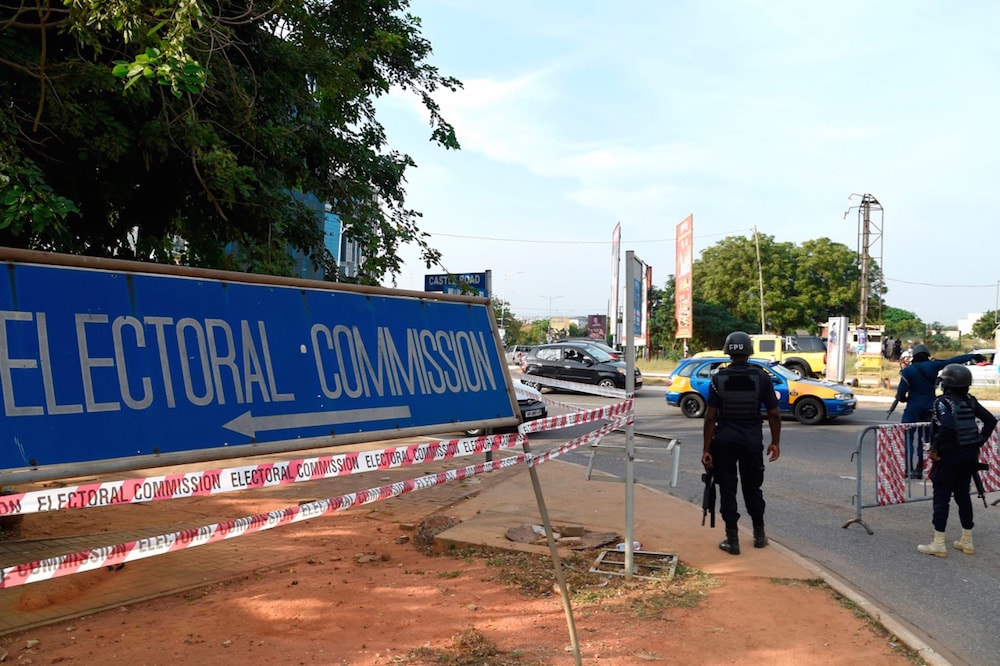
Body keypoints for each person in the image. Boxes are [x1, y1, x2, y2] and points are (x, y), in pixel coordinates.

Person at [701, 331, 781, 555]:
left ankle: (732, 540)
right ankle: (759, 535)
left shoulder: (718, 379)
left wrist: (706, 449)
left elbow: (710, 416)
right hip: (752, 441)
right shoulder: (762, 378)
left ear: (728, 352)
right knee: (753, 488)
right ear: (749, 352)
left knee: (728, 489)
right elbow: (774, 414)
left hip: (724, 441)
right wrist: (775, 442)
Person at [917, 364, 997, 557]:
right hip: (969, 455)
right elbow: (991, 421)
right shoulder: (970, 400)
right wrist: (978, 441)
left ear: (947, 384)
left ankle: (938, 543)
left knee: (942, 496)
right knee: (962, 495)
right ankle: (967, 541)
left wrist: (934, 448)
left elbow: (949, 426)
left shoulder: (942, 403)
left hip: (948, 455)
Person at [894, 344, 981, 479]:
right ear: (927, 355)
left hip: (912, 410)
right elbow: (952, 360)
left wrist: (905, 399)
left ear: (914, 356)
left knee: (909, 439)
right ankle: (919, 469)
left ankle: (908, 468)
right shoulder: (933, 366)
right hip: (930, 408)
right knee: (926, 440)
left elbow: (900, 394)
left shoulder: (907, 371)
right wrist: (972, 356)